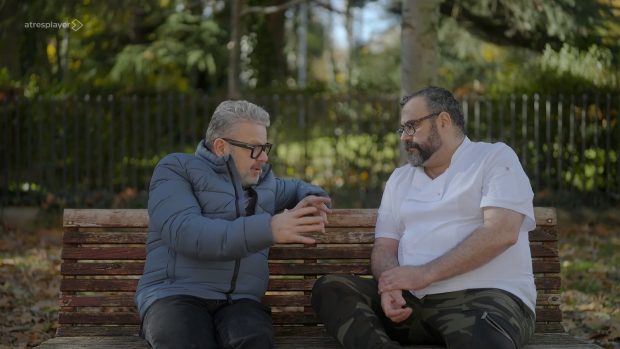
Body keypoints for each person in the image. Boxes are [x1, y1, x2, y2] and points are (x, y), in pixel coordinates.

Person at [311, 86, 536, 349]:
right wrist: (390, 285)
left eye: (411, 127)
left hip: (483, 299)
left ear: (443, 121)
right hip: (410, 304)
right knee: (331, 288)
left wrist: (425, 274)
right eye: (402, 130)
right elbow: (385, 247)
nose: (404, 137)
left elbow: (501, 232)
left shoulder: (494, 158)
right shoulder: (400, 178)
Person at [135, 100, 331, 349]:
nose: (264, 157)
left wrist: (314, 202)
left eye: (265, 147)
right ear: (221, 147)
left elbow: (307, 190)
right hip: (175, 295)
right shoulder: (176, 170)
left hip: (240, 302)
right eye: (255, 149)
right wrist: (270, 228)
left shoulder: (265, 184)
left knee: (254, 341)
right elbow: (186, 232)